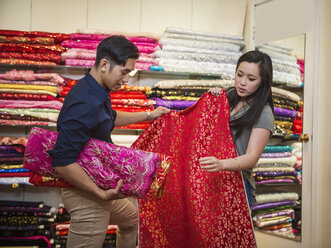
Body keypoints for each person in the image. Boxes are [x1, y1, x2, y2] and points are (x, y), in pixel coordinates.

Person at [48, 35, 169, 248]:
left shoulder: (96, 90)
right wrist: (100, 194)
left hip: (98, 184)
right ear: (104, 64)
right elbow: (62, 161)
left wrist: (150, 115)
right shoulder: (84, 101)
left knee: (132, 220)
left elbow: (109, 117)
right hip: (86, 192)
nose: (126, 80)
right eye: (124, 72)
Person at [199, 50, 275, 207]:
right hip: (213, 180)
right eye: (239, 75)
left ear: (263, 82)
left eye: (251, 78)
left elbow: (252, 157)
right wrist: (210, 100)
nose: (242, 82)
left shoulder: (264, 112)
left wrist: (222, 164)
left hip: (238, 185)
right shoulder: (228, 97)